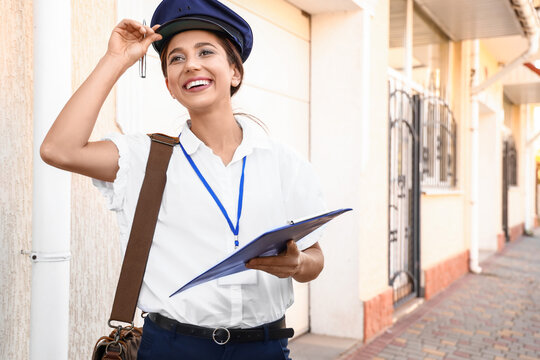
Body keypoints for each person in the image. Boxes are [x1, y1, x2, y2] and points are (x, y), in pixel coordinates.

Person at [40, 0, 326, 358]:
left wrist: (298, 264)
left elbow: (315, 256)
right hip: (173, 347)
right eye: (176, 58)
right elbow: (59, 150)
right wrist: (117, 59)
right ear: (170, 86)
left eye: (205, 52)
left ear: (235, 72)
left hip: (264, 347)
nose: (191, 64)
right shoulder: (145, 158)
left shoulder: (286, 164)